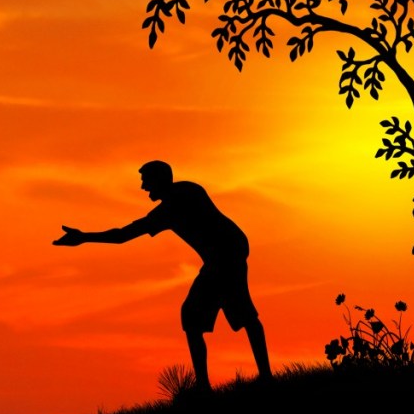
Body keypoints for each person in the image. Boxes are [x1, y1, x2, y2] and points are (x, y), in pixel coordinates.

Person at [53, 160, 272, 392]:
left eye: (146, 181)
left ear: (159, 180)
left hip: (226, 256)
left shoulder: (172, 206)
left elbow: (123, 235)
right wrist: (84, 237)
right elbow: (123, 235)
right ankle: (248, 379)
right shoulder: (185, 193)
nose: (143, 187)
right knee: (222, 316)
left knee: (208, 315)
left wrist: (84, 237)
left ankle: (218, 385)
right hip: (229, 253)